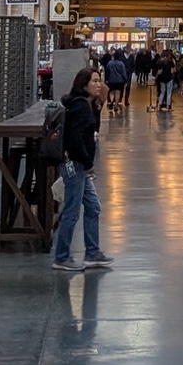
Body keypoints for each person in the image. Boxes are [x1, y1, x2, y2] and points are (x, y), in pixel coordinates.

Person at [53, 68, 112, 272]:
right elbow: (75, 138)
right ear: (83, 84)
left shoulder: (87, 105)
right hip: (77, 166)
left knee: (93, 207)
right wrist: (88, 163)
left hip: (80, 166)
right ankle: (61, 257)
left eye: (99, 81)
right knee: (71, 211)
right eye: (94, 81)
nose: (98, 84)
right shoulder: (80, 107)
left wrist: (99, 103)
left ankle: (92, 252)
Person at [103, 50, 130, 117]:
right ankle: (116, 105)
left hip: (111, 80)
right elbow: (123, 73)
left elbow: (107, 72)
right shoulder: (121, 63)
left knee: (111, 92)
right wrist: (126, 80)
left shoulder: (109, 63)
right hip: (119, 80)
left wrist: (106, 79)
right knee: (118, 92)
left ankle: (111, 101)